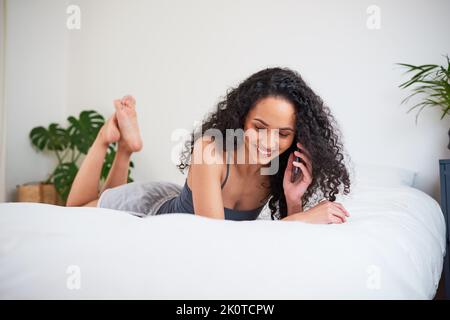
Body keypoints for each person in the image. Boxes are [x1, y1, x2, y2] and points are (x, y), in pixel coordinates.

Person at [66, 67, 351, 223]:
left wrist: (293, 199)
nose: (269, 143)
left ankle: (126, 148)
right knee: (74, 210)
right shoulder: (210, 152)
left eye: (283, 134)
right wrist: (304, 220)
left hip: (184, 199)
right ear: (241, 119)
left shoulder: (279, 168)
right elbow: (215, 242)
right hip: (148, 210)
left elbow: (287, 243)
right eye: (259, 128)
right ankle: (106, 137)